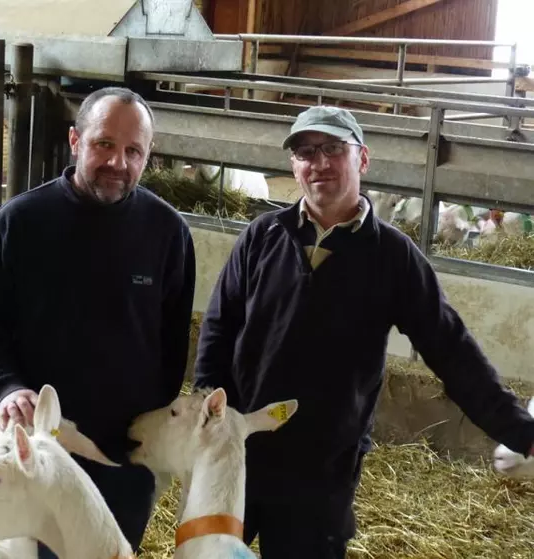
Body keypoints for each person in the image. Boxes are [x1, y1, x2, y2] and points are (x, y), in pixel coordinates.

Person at [193, 105, 534, 558]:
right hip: (239, 455)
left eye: (334, 149)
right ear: (294, 165)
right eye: (306, 152)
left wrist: (520, 431)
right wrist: (206, 420)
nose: (320, 163)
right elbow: (219, 329)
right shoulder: (262, 237)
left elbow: (451, 350)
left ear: (363, 159)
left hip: (322, 469)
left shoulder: (393, 257)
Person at [0, 86, 196, 558]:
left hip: (124, 453)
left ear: (149, 156)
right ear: (75, 140)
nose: (118, 163)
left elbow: (171, 339)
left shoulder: (167, 233)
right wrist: (4, 389)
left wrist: (150, 424)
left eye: (133, 151)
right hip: (40, 452)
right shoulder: (18, 225)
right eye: (105, 144)